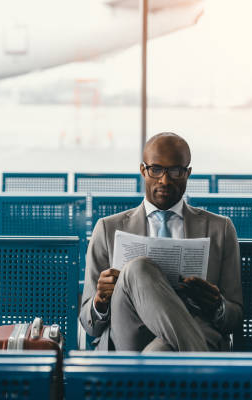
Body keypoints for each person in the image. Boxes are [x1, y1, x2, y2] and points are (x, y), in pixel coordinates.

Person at [80, 132, 242, 351]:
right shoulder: (108, 229)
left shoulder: (220, 229)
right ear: (143, 171)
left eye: (175, 171)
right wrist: (100, 301)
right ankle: (200, 361)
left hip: (190, 332)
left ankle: (140, 379)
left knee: (157, 352)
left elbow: (235, 316)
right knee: (137, 269)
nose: (164, 180)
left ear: (188, 173)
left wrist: (217, 306)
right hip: (129, 332)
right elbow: (89, 325)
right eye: (156, 169)